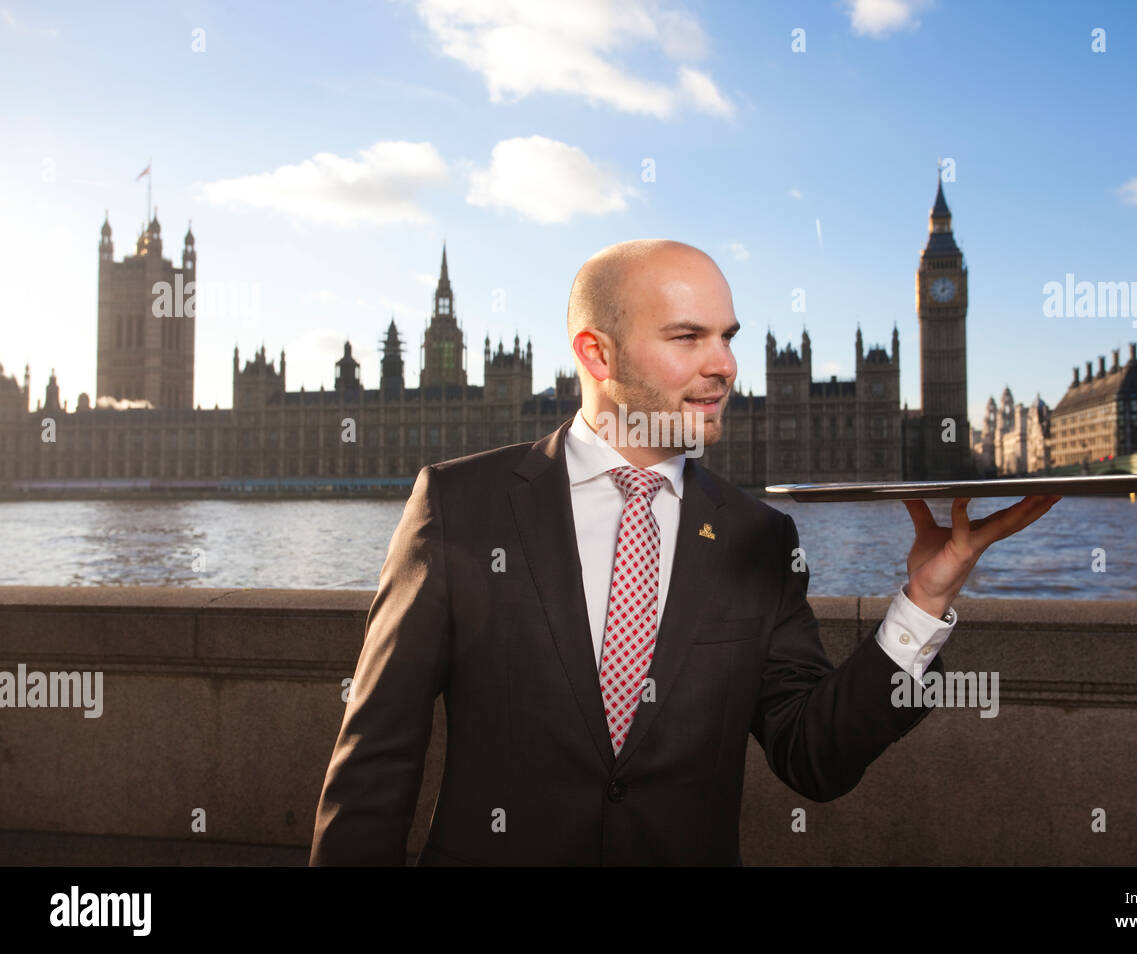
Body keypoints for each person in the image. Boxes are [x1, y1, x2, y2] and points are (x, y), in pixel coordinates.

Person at [308, 239, 1060, 866]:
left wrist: (924, 603)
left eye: (728, 336)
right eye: (687, 337)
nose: (726, 365)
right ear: (597, 355)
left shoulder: (758, 539)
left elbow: (814, 755)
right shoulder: (459, 507)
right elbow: (375, 769)